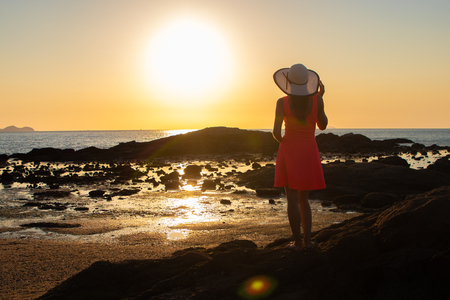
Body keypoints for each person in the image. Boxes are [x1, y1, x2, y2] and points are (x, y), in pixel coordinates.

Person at [272, 63, 328, 252]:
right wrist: (321, 99)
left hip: (289, 150)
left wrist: (286, 143)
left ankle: (296, 243)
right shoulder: (317, 100)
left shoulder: (282, 102)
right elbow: (323, 125)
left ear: (288, 82)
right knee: (304, 200)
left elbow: (276, 132)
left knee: (292, 200)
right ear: (307, 82)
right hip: (309, 150)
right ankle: (308, 242)